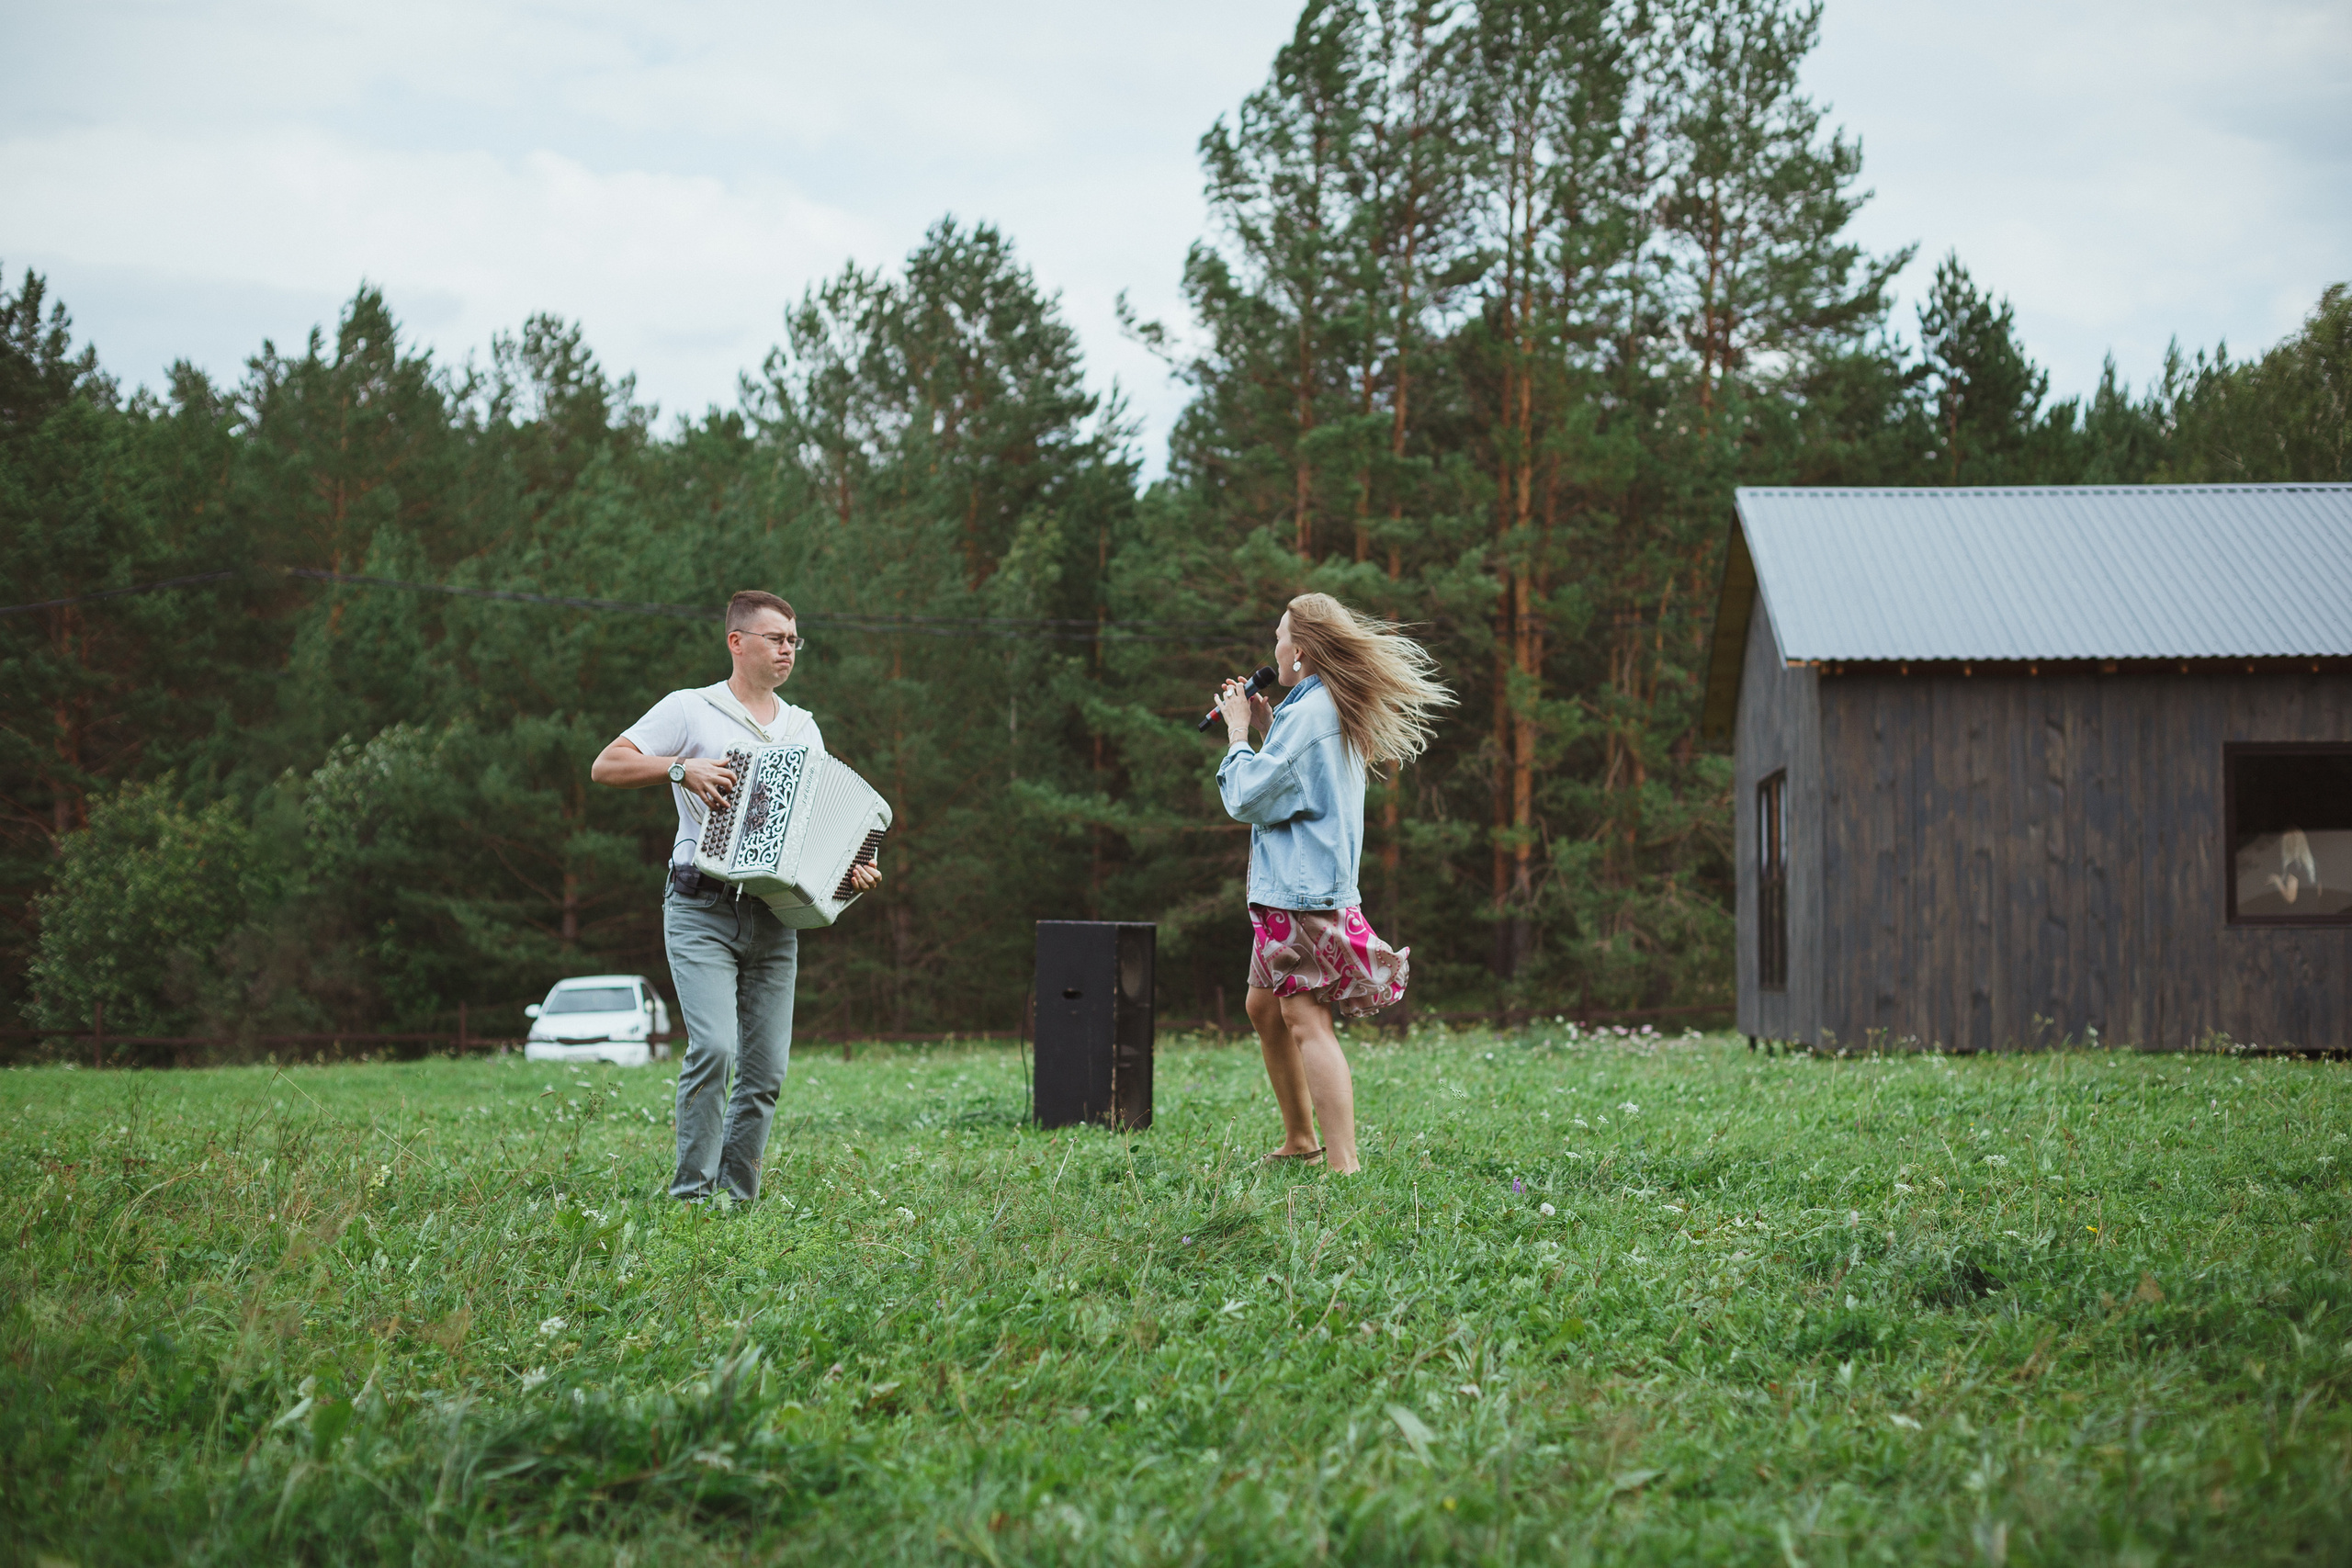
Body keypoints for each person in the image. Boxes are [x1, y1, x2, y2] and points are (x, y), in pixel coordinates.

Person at [590, 589, 881, 1203]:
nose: (787, 650)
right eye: (776, 638)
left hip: (775, 916)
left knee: (766, 1071)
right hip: (700, 906)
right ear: (736, 641)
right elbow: (606, 766)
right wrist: (680, 767)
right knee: (716, 1047)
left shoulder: (803, 726)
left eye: (793, 640)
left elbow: (819, 827)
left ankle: (736, 1199)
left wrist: (851, 872)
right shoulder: (690, 709)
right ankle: (691, 1198)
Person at [1213, 592, 1453, 1174]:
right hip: (1296, 888)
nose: (1273, 646)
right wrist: (1270, 727)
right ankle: (1300, 1138)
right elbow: (1297, 784)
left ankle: (1343, 1165)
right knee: (1264, 1008)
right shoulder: (1318, 706)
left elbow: (1248, 798)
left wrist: (1239, 734)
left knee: (1305, 1018)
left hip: (1299, 892)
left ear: (1298, 650)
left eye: (1279, 635)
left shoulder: (1312, 712)